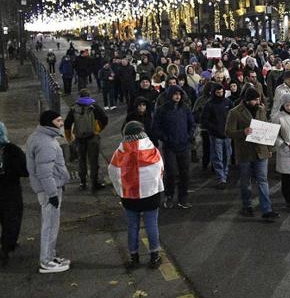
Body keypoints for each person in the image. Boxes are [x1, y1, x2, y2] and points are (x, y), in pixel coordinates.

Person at [108, 121, 164, 270]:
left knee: (133, 226)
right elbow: (160, 168)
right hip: (151, 194)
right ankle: (154, 256)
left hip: (129, 195)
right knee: (151, 224)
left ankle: (134, 258)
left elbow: (113, 171)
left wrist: (121, 188)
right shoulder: (151, 149)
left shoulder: (120, 152)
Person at [225, 87, 280, 220]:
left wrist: (270, 149)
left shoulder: (261, 110)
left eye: (258, 99)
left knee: (263, 180)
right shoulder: (235, 112)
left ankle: (267, 209)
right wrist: (242, 132)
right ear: (247, 100)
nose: (258, 101)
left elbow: (266, 128)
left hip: (261, 150)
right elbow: (228, 132)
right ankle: (247, 205)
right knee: (246, 181)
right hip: (245, 151)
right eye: (255, 100)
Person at [26, 111, 71, 273]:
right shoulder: (46, 143)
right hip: (49, 191)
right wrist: (52, 194)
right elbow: (45, 173)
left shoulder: (41, 137)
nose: (61, 122)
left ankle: (50, 256)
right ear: (50, 122)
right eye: (58, 120)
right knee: (50, 225)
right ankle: (46, 261)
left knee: (51, 224)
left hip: (49, 188)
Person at [152, 85, 194, 209]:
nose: (177, 96)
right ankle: (169, 196)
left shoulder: (185, 108)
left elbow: (191, 124)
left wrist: (188, 136)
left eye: (179, 94)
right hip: (170, 147)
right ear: (170, 95)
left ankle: (183, 197)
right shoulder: (161, 110)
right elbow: (156, 128)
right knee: (171, 173)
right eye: (175, 94)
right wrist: (166, 138)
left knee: (185, 173)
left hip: (184, 146)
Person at [64, 89, 109, 191]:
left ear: (79, 97)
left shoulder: (74, 108)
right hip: (92, 137)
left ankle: (82, 182)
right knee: (93, 161)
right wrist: (98, 129)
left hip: (79, 139)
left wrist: (69, 138)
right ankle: (94, 183)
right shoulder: (94, 106)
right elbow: (104, 118)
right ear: (89, 96)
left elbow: (67, 123)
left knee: (81, 160)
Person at [0, 122, 28, 267]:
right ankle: (7, 248)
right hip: (10, 190)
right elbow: (24, 170)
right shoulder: (12, 150)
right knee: (11, 219)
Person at [201, 83, 233, 189]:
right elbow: (204, 120)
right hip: (216, 135)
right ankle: (221, 178)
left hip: (227, 135)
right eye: (218, 92)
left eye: (221, 92)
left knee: (227, 156)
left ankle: (225, 174)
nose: (220, 94)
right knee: (217, 157)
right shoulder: (209, 104)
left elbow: (233, 116)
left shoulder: (228, 103)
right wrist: (215, 129)